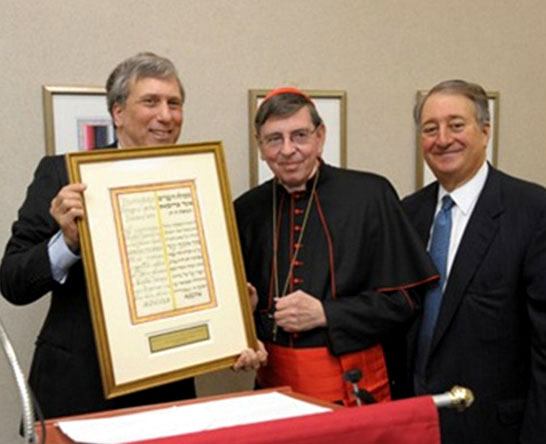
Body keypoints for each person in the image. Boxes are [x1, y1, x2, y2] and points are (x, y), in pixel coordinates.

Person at [0, 52, 265, 420]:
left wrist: (235, 316)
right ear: (118, 113)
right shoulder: (62, 174)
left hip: (164, 393)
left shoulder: (198, 182)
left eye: (174, 103)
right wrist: (69, 243)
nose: (166, 115)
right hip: (79, 392)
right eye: (150, 101)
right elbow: (13, 282)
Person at [402, 79, 546, 443]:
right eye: (431, 129)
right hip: (423, 424)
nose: (443, 139)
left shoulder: (540, 216)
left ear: (485, 131)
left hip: (505, 430)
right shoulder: (407, 215)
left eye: (456, 125)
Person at [235, 87, 437, 406]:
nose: (288, 150)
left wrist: (326, 313)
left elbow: (405, 301)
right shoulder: (246, 210)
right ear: (260, 146)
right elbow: (243, 312)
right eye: (274, 139)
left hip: (352, 388)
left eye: (299, 135)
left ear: (320, 136)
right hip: (274, 395)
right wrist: (244, 326)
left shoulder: (370, 195)